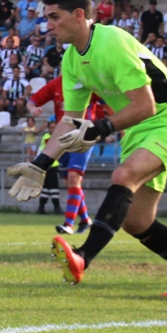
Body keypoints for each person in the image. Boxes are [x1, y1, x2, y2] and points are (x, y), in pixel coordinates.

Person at [7, 0, 167, 298]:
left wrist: (99, 128)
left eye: (54, 16)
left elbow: (145, 105)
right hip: (138, 130)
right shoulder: (71, 60)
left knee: (123, 176)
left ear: (79, 15)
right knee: (137, 221)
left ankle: (83, 256)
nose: (48, 25)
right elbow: (70, 120)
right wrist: (41, 163)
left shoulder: (112, 41)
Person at [28, 76, 100, 234]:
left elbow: (107, 99)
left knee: (74, 178)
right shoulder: (56, 84)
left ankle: (68, 223)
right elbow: (32, 100)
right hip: (64, 137)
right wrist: (32, 108)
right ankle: (86, 219)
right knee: (71, 183)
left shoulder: (88, 80)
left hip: (84, 134)